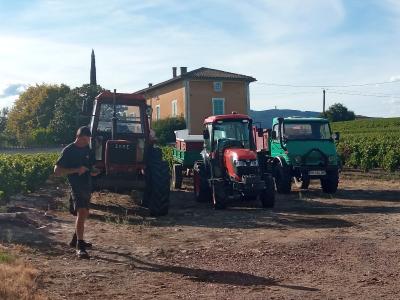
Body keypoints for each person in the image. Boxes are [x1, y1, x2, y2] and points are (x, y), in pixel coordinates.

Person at [54, 126, 99, 259]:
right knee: (82, 212)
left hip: (86, 185)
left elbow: (92, 167)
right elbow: (56, 171)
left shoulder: (88, 150)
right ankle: (80, 247)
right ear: (78, 137)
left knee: (85, 213)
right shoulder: (69, 150)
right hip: (75, 186)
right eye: (85, 139)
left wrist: (94, 171)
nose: (87, 142)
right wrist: (76, 170)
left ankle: (75, 240)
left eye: (88, 140)